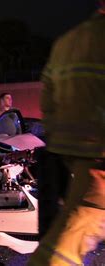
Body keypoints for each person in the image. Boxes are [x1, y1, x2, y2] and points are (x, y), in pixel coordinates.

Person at [28, 5, 105, 265]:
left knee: (76, 224)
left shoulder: (67, 42)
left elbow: (47, 101)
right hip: (99, 152)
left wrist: (60, 139)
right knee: (77, 227)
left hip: (75, 152)